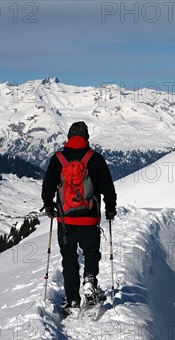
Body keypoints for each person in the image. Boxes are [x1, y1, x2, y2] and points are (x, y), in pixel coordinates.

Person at [42, 121, 117, 310]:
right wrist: (110, 208)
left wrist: (49, 206)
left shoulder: (58, 158)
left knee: (69, 257)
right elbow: (107, 187)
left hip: (66, 219)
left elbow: (47, 186)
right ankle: (90, 279)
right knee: (91, 252)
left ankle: (72, 299)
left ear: (68, 138)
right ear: (87, 138)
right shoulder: (95, 158)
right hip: (90, 217)